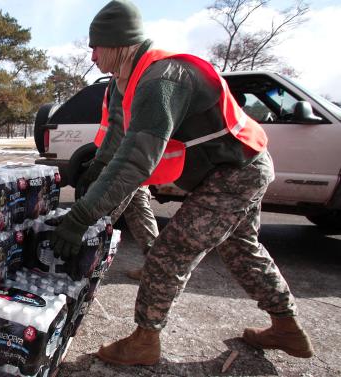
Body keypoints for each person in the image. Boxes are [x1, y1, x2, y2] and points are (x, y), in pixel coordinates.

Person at [50, 0, 313, 366]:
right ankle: (286, 326)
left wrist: (80, 218)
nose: (92, 55)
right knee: (241, 249)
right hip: (230, 170)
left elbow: (134, 162)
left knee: (168, 254)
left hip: (237, 172)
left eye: (96, 46)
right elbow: (113, 145)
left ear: (117, 42)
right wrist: (92, 178)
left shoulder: (162, 80)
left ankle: (144, 341)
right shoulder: (125, 82)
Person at [80, 72, 160, 281]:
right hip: (131, 160)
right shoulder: (120, 79)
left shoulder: (127, 79)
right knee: (140, 213)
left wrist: (101, 163)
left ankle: (80, 264)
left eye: (97, 48)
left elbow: (119, 128)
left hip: (124, 163)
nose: (94, 56)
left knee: (100, 213)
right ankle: (157, 268)